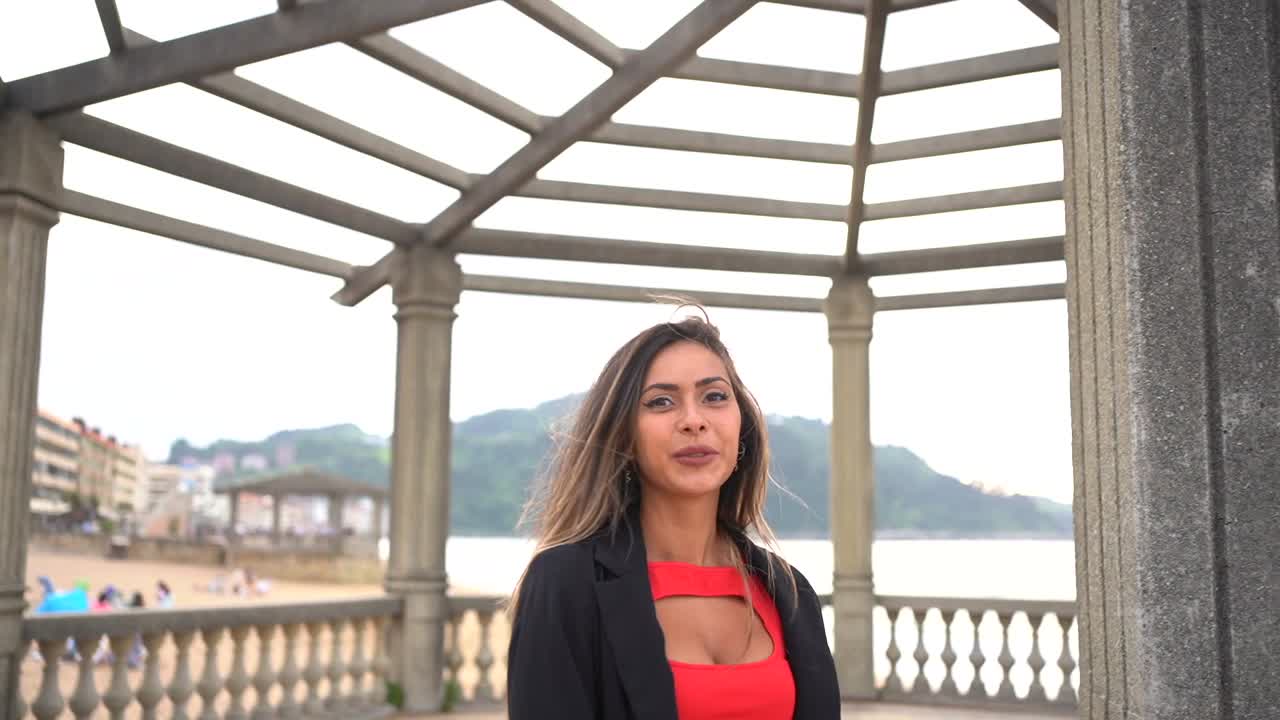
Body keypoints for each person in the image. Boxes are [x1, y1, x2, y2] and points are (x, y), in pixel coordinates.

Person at [506, 313, 839, 720]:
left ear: (742, 425)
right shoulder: (566, 583)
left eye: (714, 396)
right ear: (624, 435)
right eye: (661, 401)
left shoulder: (789, 591)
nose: (693, 420)